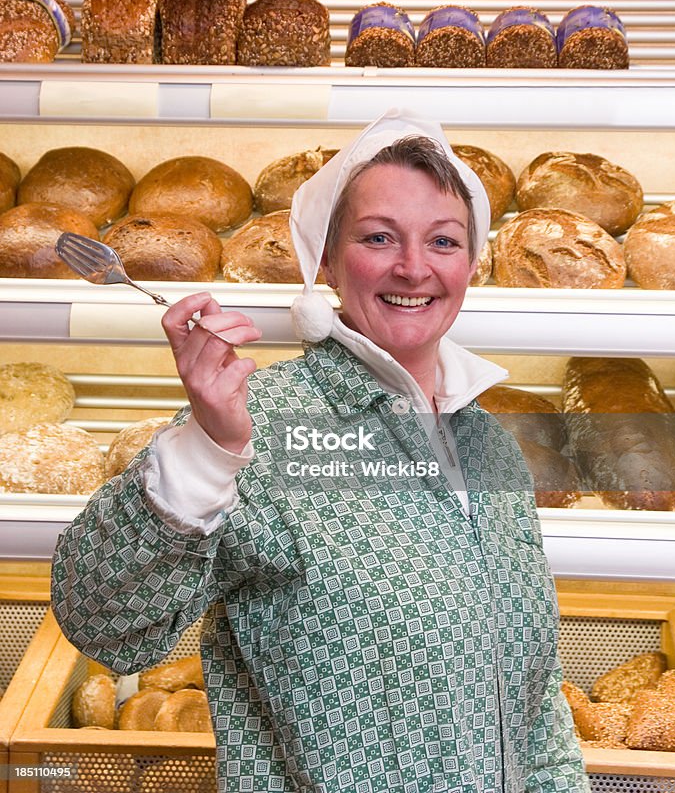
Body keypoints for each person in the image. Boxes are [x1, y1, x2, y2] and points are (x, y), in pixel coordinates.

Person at [52, 109, 589, 793]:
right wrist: (207, 449)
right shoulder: (266, 427)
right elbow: (103, 622)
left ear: (471, 264)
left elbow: (534, 700)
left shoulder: (486, 445)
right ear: (326, 259)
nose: (414, 267)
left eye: (444, 242)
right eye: (378, 237)